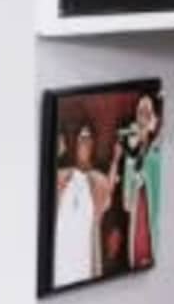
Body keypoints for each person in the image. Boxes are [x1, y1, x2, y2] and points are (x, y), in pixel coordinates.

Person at [52, 115, 107, 289]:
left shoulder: (99, 180)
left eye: (89, 139)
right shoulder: (60, 176)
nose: (86, 144)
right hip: (59, 268)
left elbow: (105, 202)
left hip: (84, 267)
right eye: (82, 139)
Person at [112, 92, 161, 272]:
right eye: (140, 111)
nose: (144, 116)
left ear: (153, 116)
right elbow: (127, 201)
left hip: (154, 210)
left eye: (148, 111)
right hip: (138, 207)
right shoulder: (130, 147)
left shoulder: (158, 148)